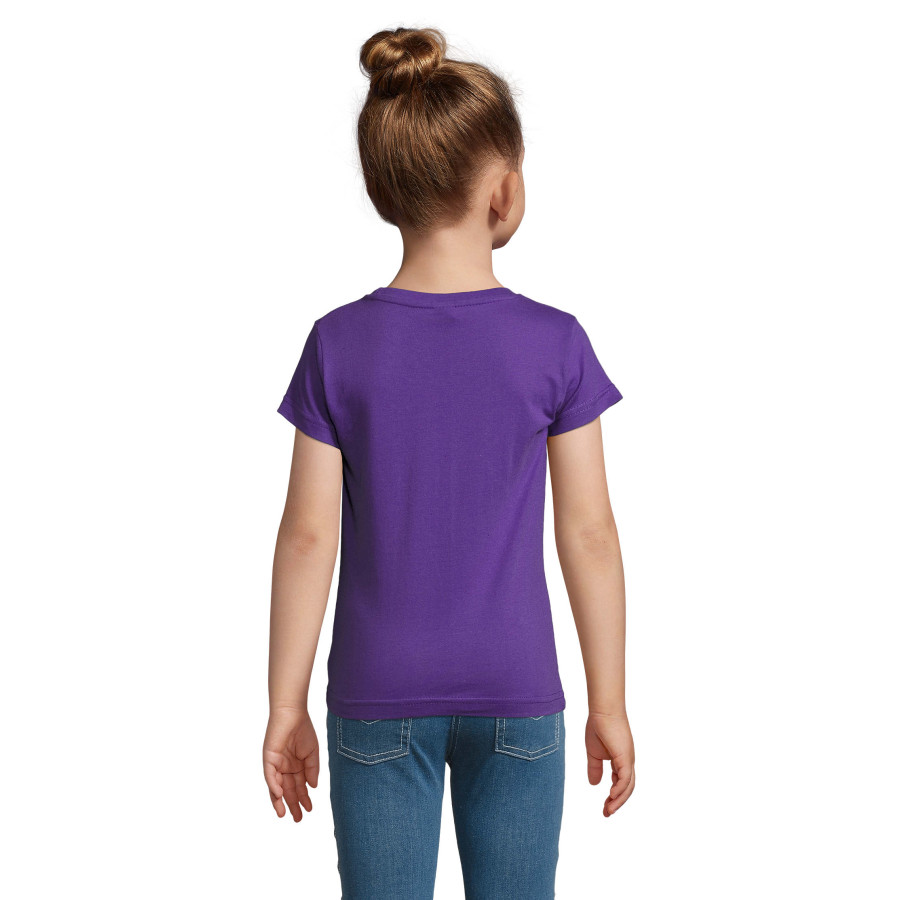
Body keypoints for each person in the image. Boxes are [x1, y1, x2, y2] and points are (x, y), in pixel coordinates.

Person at [262, 25, 635, 899]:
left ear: (384, 187)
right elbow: (589, 533)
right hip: (517, 691)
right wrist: (609, 702)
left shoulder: (338, 344)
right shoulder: (555, 344)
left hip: (376, 693)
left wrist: (284, 704)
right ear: (504, 187)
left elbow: (308, 537)